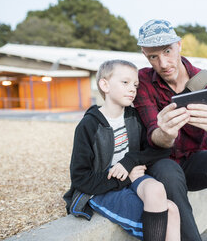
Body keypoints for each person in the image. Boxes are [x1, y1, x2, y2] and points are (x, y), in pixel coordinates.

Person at [134, 19, 207, 241]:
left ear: (179, 45)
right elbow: (155, 138)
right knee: (168, 172)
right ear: (145, 54)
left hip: (195, 162)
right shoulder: (143, 81)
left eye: (167, 51)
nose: (163, 63)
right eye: (153, 56)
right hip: (161, 162)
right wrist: (165, 133)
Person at [63, 60, 180, 241]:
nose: (132, 89)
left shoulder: (133, 117)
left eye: (135, 84)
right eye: (125, 83)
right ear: (104, 84)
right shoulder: (88, 125)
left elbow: (162, 151)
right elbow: (80, 179)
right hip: (101, 189)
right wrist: (126, 176)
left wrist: (130, 160)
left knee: (157, 190)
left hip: (131, 176)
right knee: (169, 212)